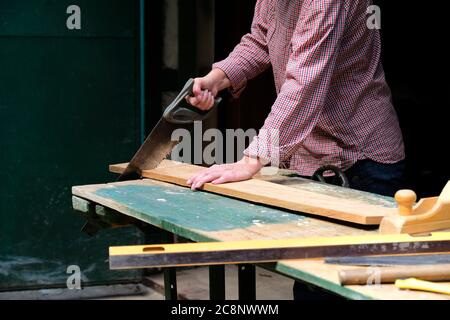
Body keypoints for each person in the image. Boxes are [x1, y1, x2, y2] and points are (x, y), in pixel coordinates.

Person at [186, 0, 406, 298]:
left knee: (356, 288)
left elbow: (305, 81)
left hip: (360, 156)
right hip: (308, 156)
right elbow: (260, 40)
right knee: (310, 284)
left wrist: (251, 160)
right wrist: (217, 79)